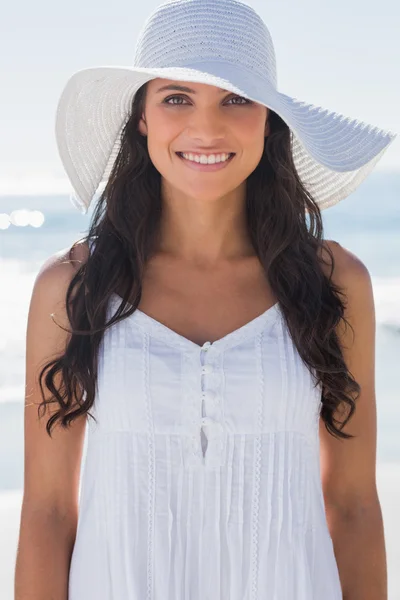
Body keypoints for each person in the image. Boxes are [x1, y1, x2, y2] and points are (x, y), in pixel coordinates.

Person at [15, 0, 396, 598]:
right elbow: (47, 514)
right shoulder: (73, 290)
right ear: (141, 116)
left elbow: (351, 505)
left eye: (236, 99)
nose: (207, 128)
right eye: (176, 98)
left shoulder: (333, 284)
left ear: (268, 118)